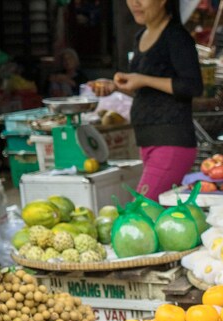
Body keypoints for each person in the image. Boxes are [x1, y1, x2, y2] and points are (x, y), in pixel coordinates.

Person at [88, 0, 202, 201]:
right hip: (148, 141)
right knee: (157, 214)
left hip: (171, 141)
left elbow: (192, 86)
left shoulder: (176, 36)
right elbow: (147, 90)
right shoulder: (141, 36)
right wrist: (115, 86)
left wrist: (143, 79)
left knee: (140, 212)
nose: (135, 3)